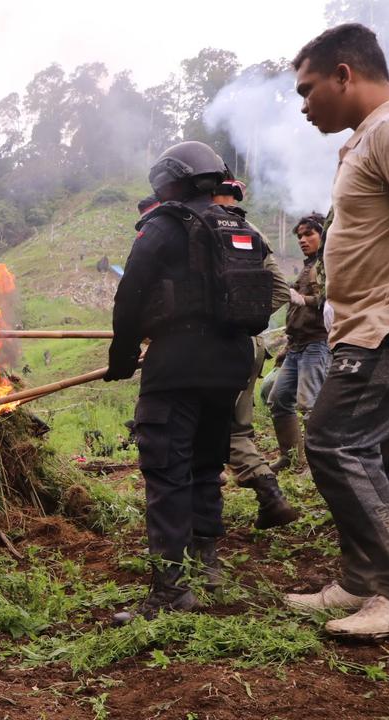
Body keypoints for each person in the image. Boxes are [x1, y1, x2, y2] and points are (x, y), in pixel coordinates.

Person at [282, 23, 389, 638]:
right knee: (377, 455)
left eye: (308, 89)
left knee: (335, 442)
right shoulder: (365, 139)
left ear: (344, 74)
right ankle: (363, 578)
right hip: (365, 326)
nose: (304, 105)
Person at [105, 141, 258, 623]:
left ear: (167, 181)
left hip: (177, 365)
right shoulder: (239, 225)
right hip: (229, 366)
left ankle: (170, 590)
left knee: (167, 469)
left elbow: (131, 293)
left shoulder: (164, 225)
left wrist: (124, 354)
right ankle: (207, 562)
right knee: (206, 461)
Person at [212, 177, 299, 529]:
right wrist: (250, 319)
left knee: (205, 424)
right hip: (250, 345)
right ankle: (268, 496)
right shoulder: (252, 232)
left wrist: (221, 321)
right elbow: (280, 289)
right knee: (237, 425)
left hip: (216, 346)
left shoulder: (203, 226)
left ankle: (206, 512)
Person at [265, 213, 330, 474]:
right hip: (296, 345)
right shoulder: (307, 266)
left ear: (323, 234)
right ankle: (291, 457)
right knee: (279, 398)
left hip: (317, 343)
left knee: (310, 404)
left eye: (309, 234)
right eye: (300, 236)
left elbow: (335, 299)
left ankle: (318, 465)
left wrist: (305, 300)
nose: (303, 240)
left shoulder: (328, 263)